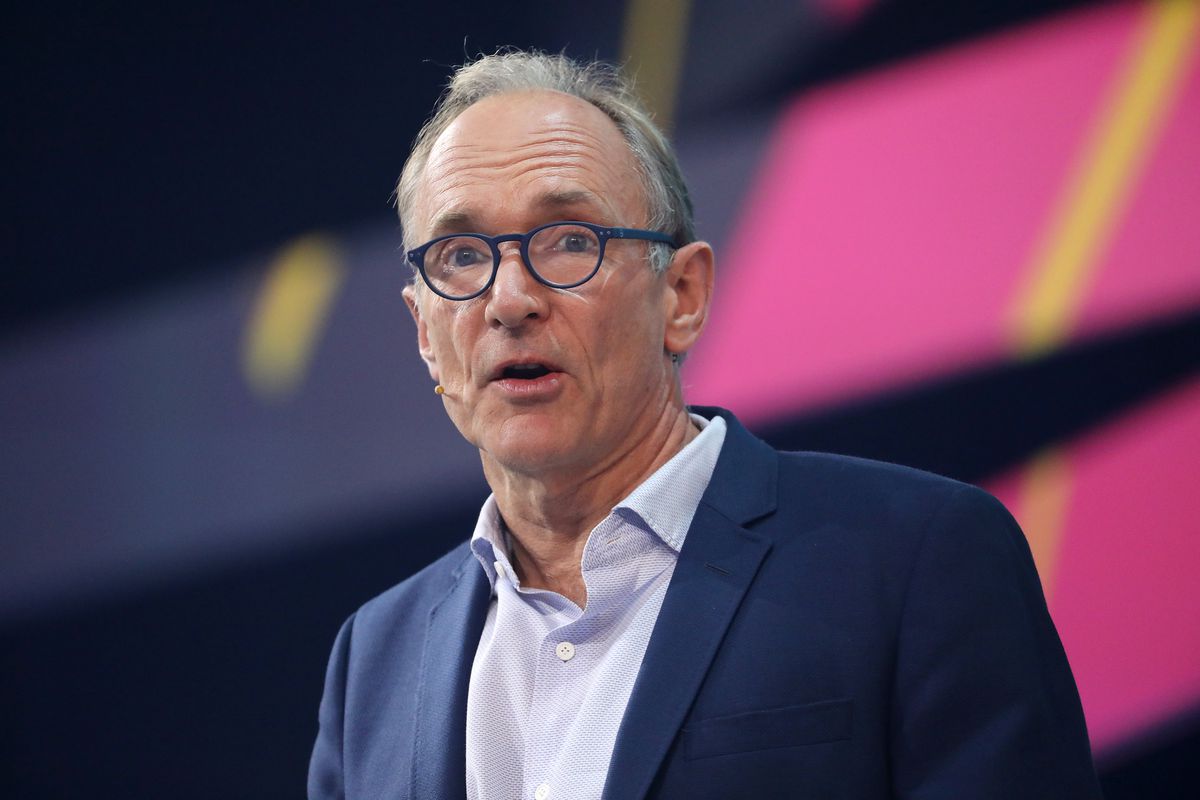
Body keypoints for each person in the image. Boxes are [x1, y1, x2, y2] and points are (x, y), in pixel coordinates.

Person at [309, 51, 1101, 800]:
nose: (510, 300)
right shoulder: (374, 657)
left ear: (681, 296)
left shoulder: (919, 560)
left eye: (571, 241)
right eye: (460, 256)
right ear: (423, 330)